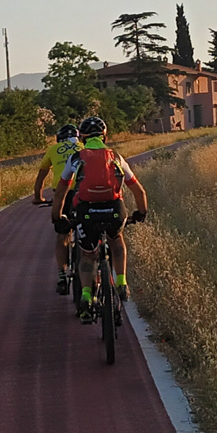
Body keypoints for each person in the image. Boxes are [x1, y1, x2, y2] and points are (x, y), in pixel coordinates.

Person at [52, 115, 148, 317]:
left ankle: (86, 295)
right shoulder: (116, 157)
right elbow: (138, 191)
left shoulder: (76, 158)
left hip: (86, 211)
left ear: (83, 137)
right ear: (104, 136)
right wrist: (141, 213)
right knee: (116, 240)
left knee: (88, 254)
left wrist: (57, 216)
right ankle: (121, 282)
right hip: (114, 209)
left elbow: (61, 191)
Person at [33, 122, 82, 295]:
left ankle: (62, 274)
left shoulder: (53, 150)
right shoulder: (83, 146)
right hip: (83, 191)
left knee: (63, 233)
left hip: (63, 193)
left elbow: (41, 177)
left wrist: (38, 197)